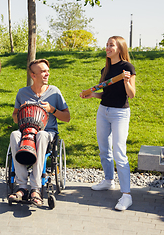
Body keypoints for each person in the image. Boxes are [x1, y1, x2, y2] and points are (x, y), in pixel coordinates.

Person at [80, 36, 136, 211]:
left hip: (120, 113)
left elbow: (131, 94)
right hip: (103, 111)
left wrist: (127, 81)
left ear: (120, 48)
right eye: (107, 44)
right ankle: (108, 180)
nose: (107, 47)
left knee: (119, 151)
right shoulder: (106, 69)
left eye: (111, 45)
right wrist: (92, 95)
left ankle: (126, 195)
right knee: (104, 148)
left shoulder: (127, 67)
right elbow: (105, 94)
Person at [8, 59, 70, 207]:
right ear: (33, 75)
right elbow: (15, 117)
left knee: (41, 135)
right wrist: (22, 111)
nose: (47, 73)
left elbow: (67, 117)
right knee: (14, 135)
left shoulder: (54, 92)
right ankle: (22, 186)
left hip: (47, 134)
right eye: (43, 71)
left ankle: (36, 188)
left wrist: (52, 110)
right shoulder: (23, 93)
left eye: (47, 70)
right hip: (26, 133)